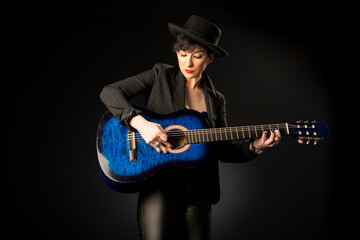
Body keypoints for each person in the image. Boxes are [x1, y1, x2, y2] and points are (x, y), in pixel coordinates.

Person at [100, 15, 281, 240]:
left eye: (197, 56)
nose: (188, 63)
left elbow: (222, 149)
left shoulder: (216, 100)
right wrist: (140, 123)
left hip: (200, 192)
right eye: (183, 55)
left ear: (209, 58)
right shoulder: (159, 76)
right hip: (160, 187)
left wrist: (255, 146)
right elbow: (109, 92)